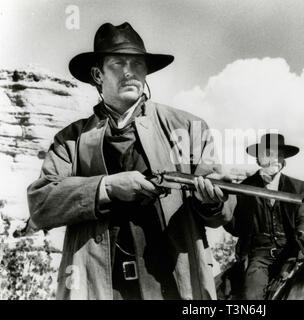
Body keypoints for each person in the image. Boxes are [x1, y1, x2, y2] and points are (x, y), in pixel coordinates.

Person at [27, 22, 230, 300]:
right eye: (119, 63)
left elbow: (225, 208)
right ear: (97, 74)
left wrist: (212, 201)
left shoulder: (188, 127)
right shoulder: (70, 140)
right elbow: (41, 204)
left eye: (137, 64)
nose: (129, 72)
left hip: (170, 283)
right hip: (100, 287)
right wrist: (107, 188)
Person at [224, 133, 304, 300]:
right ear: (259, 159)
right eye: (270, 154)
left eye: (279, 155)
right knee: (252, 294)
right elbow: (235, 227)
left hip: (291, 251)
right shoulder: (246, 187)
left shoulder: (296, 187)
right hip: (259, 256)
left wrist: (301, 234)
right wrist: (223, 207)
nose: (275, 159)